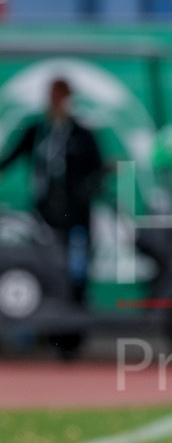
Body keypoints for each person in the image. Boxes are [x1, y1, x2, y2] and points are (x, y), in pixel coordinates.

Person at [0, 77, 104, 357]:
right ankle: (44, 333)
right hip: (44, 218)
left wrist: (85, 191)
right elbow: (10, 158)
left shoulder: (81, 134)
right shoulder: (38, 131)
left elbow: (97, 170)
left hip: (76, 219)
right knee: (43, 272)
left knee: (75, 274)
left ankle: (72, 339)